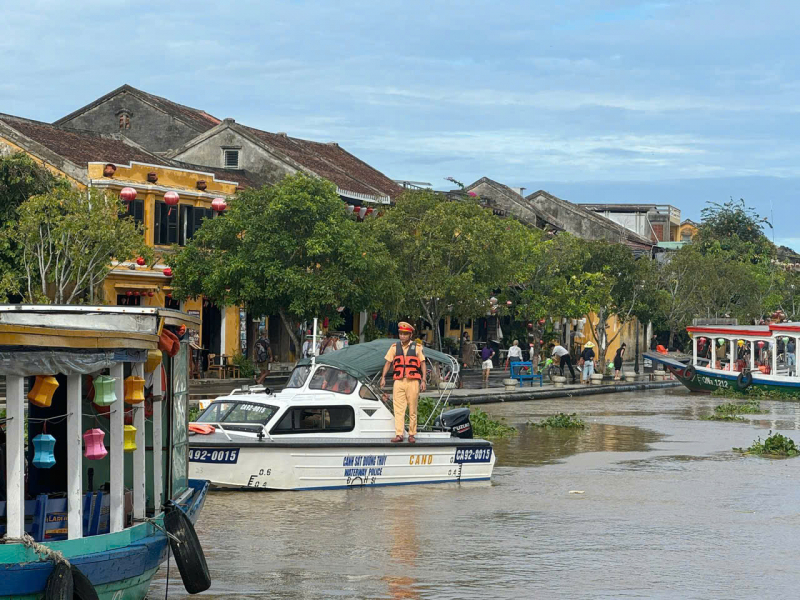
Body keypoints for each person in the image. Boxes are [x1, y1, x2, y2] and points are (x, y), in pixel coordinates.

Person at [380, 322, 427, 443]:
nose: (402, 336)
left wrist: (423, 380)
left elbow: (422, 363)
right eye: (401, 333)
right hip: (399, 381)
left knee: (412, 408)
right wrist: (383, 377)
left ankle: (412, 434)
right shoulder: (394, 347)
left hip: (413, 381)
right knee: (398, 409)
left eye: (405, 334)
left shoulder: (417, 347)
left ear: (410, 335)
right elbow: (388, 363)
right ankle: (399, 434)